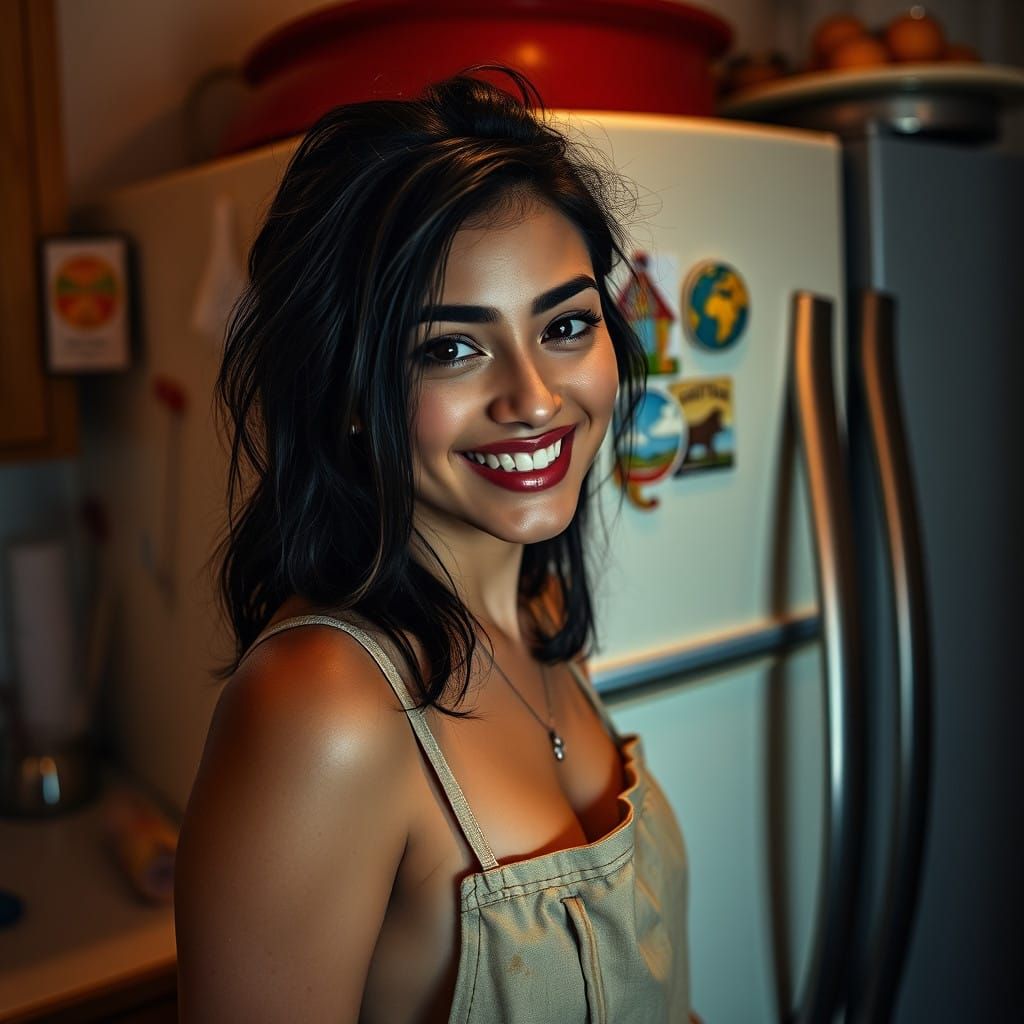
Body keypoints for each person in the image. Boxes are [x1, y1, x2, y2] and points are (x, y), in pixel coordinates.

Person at [174, 66, 694, 1023]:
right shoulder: (321, 714)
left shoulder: (534, 611)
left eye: (567, 326)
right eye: (451, 348)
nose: (535, 399)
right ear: (348, 396)